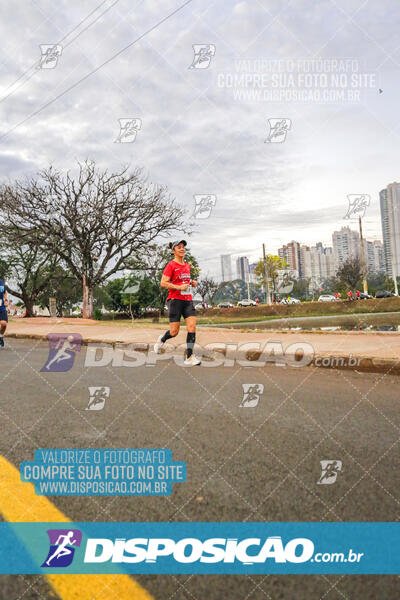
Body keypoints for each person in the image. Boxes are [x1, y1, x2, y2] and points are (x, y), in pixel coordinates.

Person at [154, 240, 201, 366]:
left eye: (183, 247)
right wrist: (179, 288)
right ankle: (162, 339)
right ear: (173, 251)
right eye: (179, 247)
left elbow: (184, 279)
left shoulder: (187, 265)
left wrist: (192, 282)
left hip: (187, 301)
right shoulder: (171, 265)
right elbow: (163, 283)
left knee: (192, 326)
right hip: (175, 301)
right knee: (174, 332)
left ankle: (189, 357)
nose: (182, 249)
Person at [0, 278, 8, 348]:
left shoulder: (1, 281)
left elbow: (5, 293)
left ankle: (0, 336)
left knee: (4, 324)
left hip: (1, 306)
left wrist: (6, 300)